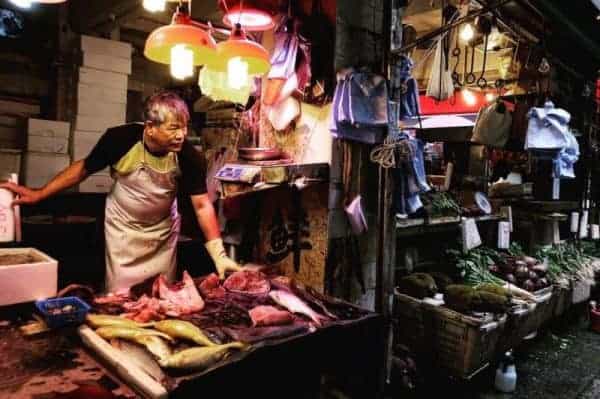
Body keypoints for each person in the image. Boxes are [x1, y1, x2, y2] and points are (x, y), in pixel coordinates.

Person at [0, 91, 241, 292]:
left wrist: (219, 254)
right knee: (120, 297)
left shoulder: (190, 157)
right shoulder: (119, 139)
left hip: (162, 233)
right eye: (174, 128)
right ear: (150, 128)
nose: (182, 135)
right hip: (122, 230)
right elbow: (82, 169)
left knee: (161, 295)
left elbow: (201, 205)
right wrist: (40, 194)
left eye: (185, 127)